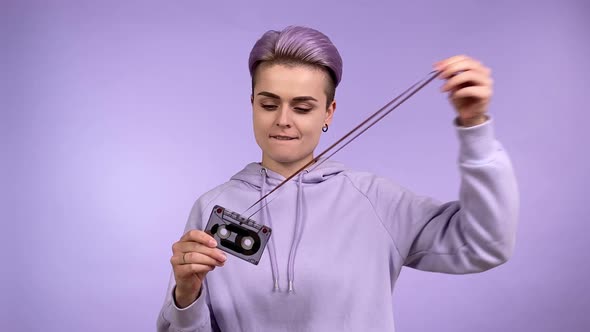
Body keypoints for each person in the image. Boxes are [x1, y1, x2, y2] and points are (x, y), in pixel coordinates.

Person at [156, 25, 519, 332]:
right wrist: (185, 297)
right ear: (252, 103)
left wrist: (475, 127)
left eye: (302, 107)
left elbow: (484, 244)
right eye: (269, 104)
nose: (283, 119)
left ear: (329, 112)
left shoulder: (374, 200)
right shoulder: (212, 207)